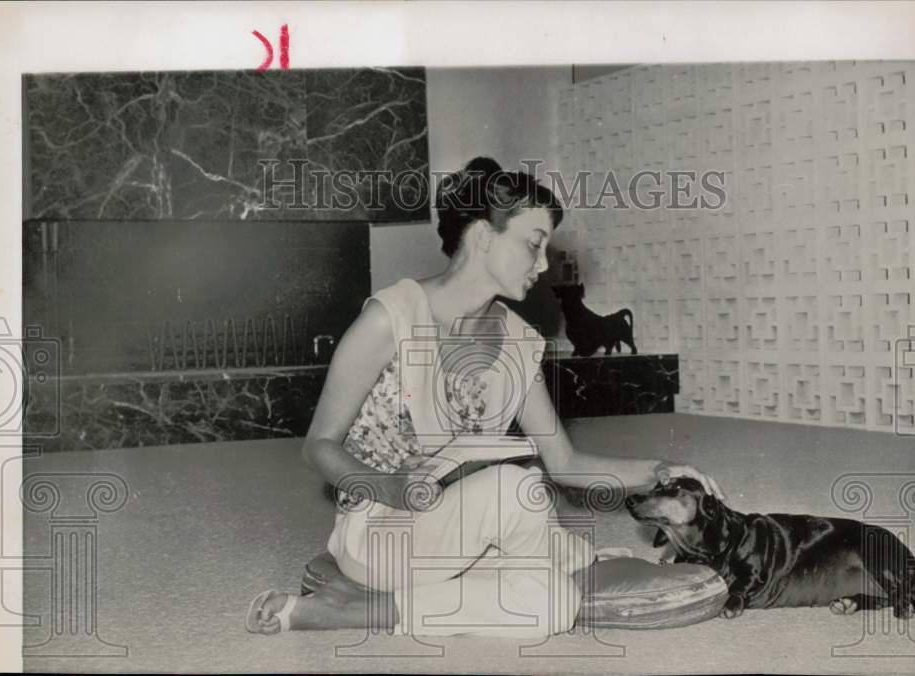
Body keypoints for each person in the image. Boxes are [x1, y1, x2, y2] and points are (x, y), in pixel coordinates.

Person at [246, 157, 724, 638]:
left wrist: (661, 470)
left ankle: (360, 611)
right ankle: (562, 561)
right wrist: (389, 487)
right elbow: (318, 446)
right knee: (517, 489)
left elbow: (566, 462)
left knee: (553, 603)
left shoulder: (517, 341)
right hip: (382, 529)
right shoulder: (389, 318)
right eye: (534, 246)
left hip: (471, 533)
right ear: (482, 236)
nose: (543, 266)